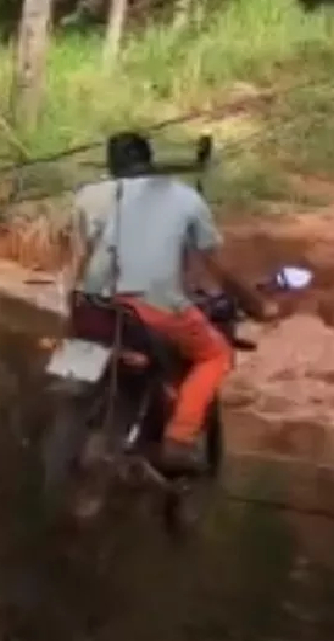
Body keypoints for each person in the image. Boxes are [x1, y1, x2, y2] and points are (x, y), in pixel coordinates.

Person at [64, 131, 271, 474]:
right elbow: (214, 264)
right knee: (215, 355)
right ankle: (179, 438)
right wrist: (252, 303)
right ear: (151, 160)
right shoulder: (185, 198)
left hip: (92, 308)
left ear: (111, 165)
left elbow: (79, 255)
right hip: (152, 308)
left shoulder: (89, 196)